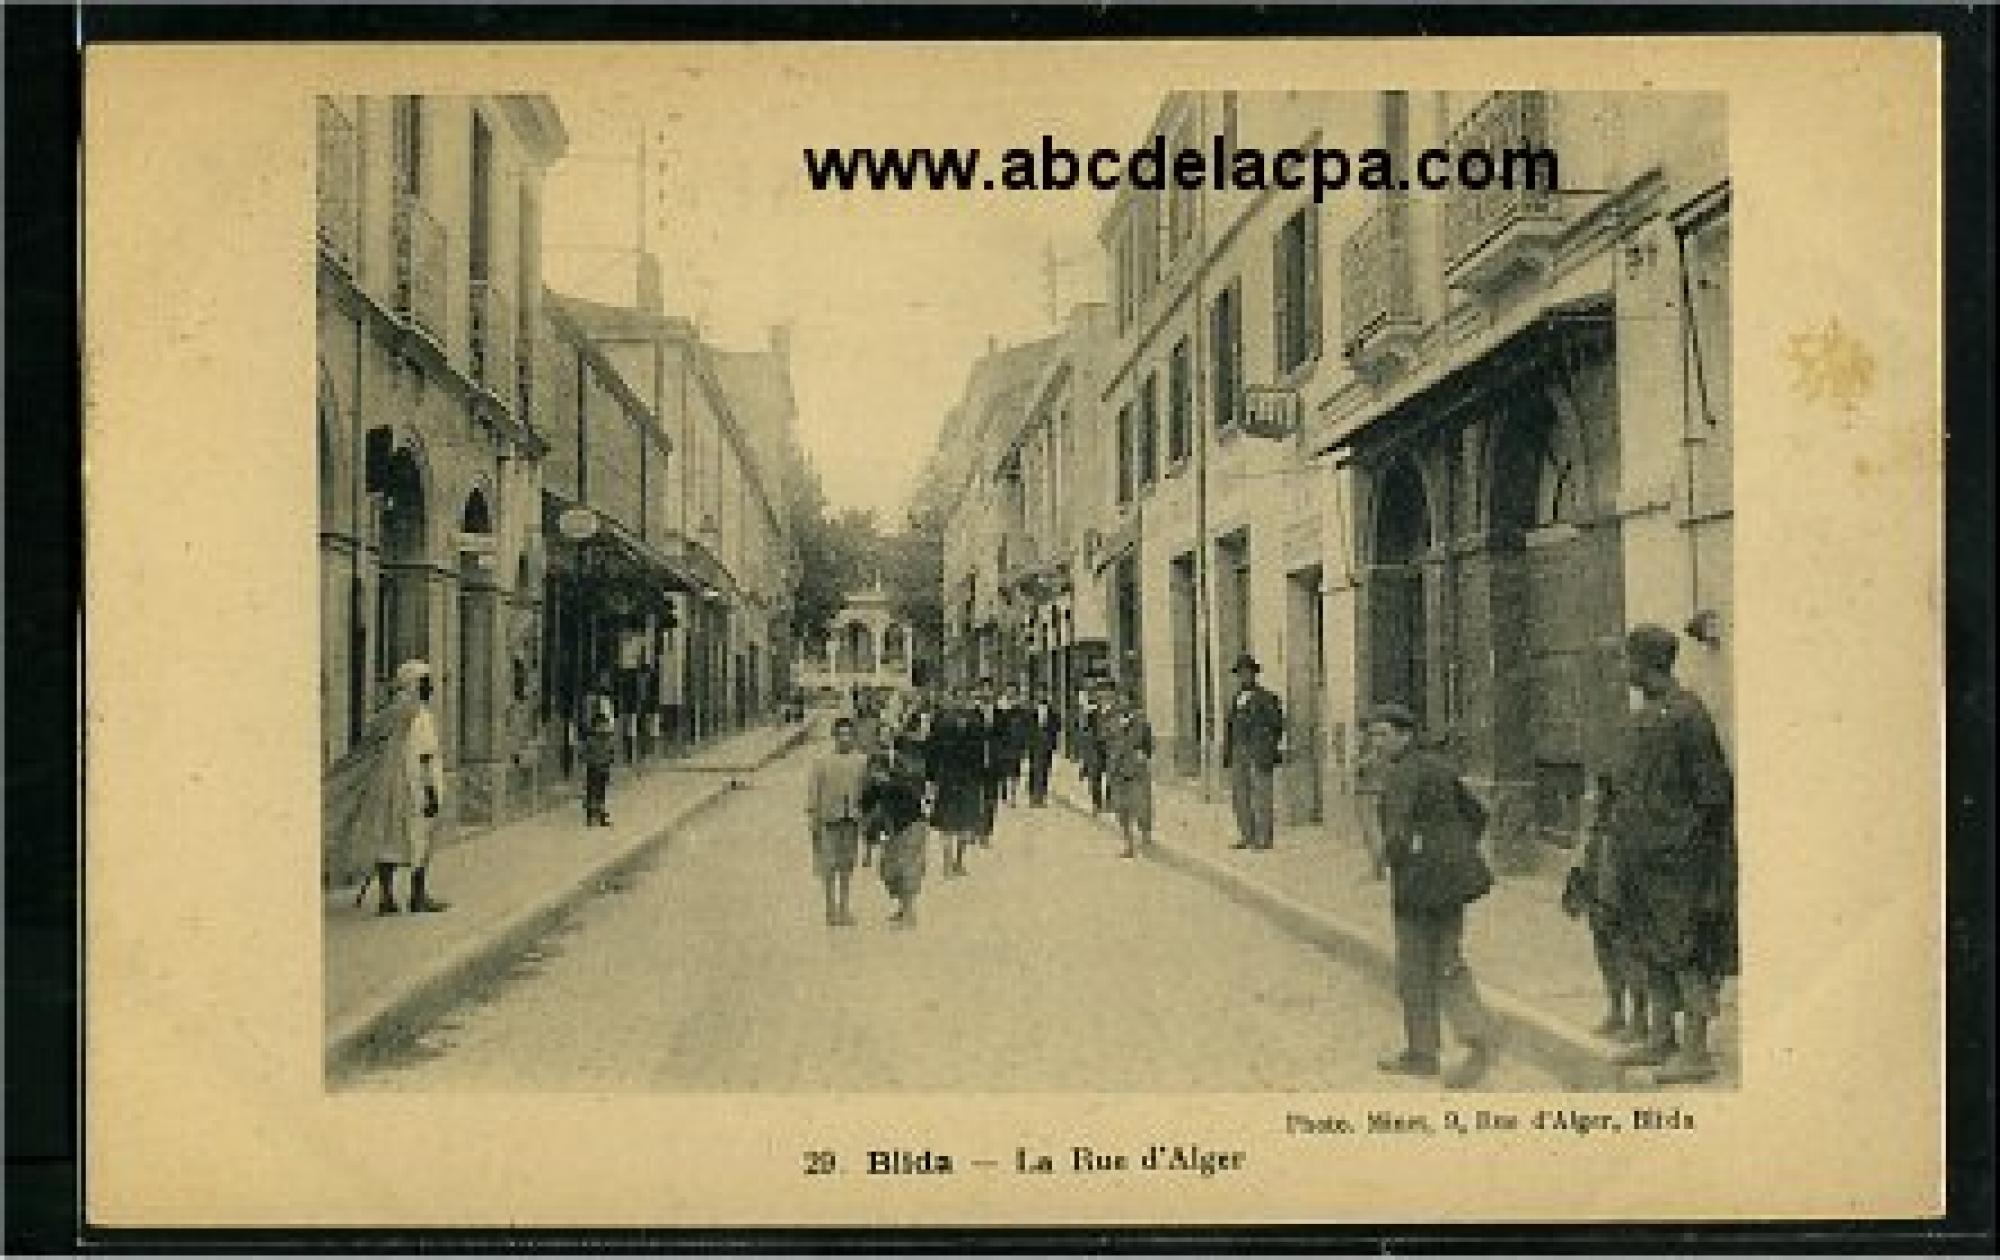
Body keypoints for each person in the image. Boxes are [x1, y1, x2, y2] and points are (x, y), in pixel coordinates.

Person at [1596, 624, 1736, 1085]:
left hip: (1680, 864)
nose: (1622, 670)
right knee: (1649, 946)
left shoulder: (1688, 716)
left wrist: (1681, 844)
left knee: (1685, 950)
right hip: (1645, 860)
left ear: (1644, 664)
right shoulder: (1650, 715)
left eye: (1625, 661)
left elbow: (1714, 794)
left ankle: (1696, 1054)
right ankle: (1662, 1038)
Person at [1368, 702, 1498, 1088]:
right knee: (1448, 958)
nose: (1375, 743)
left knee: (1413, 967)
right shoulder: (1440, 766)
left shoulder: (1401, 775)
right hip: (1451, 882)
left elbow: (1397, 833)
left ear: (1405, 735)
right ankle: (1474, 1035)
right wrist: (1453, 852)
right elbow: (1478, 814)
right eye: (1372, 735)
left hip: (1418, 884)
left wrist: (1392, 862)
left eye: (1382, 734)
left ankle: (1423, 1053)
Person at [324, 660, 449, 916]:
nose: (430, 688)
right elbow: (425, 756)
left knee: (388, 839)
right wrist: (430, 792)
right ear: (414, 685)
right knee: (420, 838)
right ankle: (417, 896)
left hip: (388, 785)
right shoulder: (420, 715)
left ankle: (387, 898)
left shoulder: (389, 712)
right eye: (425, 683)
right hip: (414, 786)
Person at [804, 716, 871, 927]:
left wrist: (865, 820)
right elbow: (813, 795)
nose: (844, 739)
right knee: (829, 866)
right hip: (828, 820)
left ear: (853, 737)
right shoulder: (822, 762)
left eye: (848, 735)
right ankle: (830, 909)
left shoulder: (862, 761)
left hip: (851, 820)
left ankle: (844, 908)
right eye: (840, 735)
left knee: (846, 866)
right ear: (834, 737)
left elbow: (867, 793)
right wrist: (813, 820)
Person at [863, 732, 932, 928]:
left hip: (913, 825)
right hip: (894, 829)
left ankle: (909, 914)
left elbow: (916, 791)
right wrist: (869, 846)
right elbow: (869, 812)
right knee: (887, 870)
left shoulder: (904, 775)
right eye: (872, 770)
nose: (875, 773)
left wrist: (892, 782)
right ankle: (904, 909)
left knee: (908, 869)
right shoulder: (873, 787)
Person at [1221, 653, 1285, 851]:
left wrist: (1266, 746)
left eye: (1247, 673)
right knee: (1240, 795)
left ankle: (1264, 839)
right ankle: (1247, 835)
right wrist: (1229, 753)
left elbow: (1277, 725)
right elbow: (1230, 727)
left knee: (1262, 796)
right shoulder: (1236, 699)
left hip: (1258, 752)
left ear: (1254, 674)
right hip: (1238, 751)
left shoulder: (1266, 697)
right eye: (1240, 673)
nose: (1244, 677)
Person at [926, 689, 987, 877]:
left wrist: (980, 778)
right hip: (947, 778)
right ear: (951, 700)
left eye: (964, 698)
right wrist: (931, 778)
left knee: (966, 822)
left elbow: (980, 753)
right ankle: (946, 863)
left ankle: (959, 862)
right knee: (946, 823)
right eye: (957, 698)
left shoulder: (976, 723)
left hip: (969, 779)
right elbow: (932, 750)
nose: (961, 702)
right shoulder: (941, 722)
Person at [1100, 681, 1156, 859]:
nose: (1122, 703)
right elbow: (1104, 740)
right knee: (1121, 809)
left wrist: (1144, 754)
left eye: (1125, 700)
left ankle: (1145, 837)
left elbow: (1148, 743)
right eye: (1120, 700)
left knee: (1141, 806)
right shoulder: (1111, 720)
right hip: (1117, 769)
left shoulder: (1141, 721)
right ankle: (1128, 844)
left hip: (1136, 769)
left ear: (1132, 702)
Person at [1023, 689, 1063, 808]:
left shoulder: (1054, 714)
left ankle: (1041, 796)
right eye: (1040, 693)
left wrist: (1054, 744)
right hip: (1034, 745)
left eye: (1044, 694)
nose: (1042, 695)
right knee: (1034, 769)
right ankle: (1032, 796)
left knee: (1045, 770)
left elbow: (1056, 730)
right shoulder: (1031, 713)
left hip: (1047, 746)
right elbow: (1027, 729)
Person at [1074, 683, 1110, 813]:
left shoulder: (1115, 712)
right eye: (1100, 694)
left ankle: (1109, 801)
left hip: (1110, 746)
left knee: (1111, 775)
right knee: (1096, 775)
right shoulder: (1092, 712)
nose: (1102, 696)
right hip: (1095, 746)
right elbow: (1086, 731)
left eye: (1105, 693)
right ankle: (1097, 803)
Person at [993, 684, 1028, 807]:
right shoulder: (999, 708)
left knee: (1014, 772)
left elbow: (1024, 728)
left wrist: (1023, 746)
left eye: (1013, 691)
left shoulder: (1020, 710)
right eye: (1009, 691)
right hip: (1002, 744)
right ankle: (1003, 795)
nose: (1010, 693)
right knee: (1002, 772)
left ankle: (1012, 796)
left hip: (1015, 745)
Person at [580, 709, 617, 827]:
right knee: (591, 792)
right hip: (593, 769)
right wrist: (591, 762)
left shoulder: (608, 740)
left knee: (602, 793)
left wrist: (609, 761)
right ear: (595, 726)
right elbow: (584, 754)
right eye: (600, 725)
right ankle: (590, 816)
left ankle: (600, 816)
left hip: (604, 769)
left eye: (604, 724)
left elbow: (611, 754)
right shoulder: (591, 740)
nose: (603, 727)